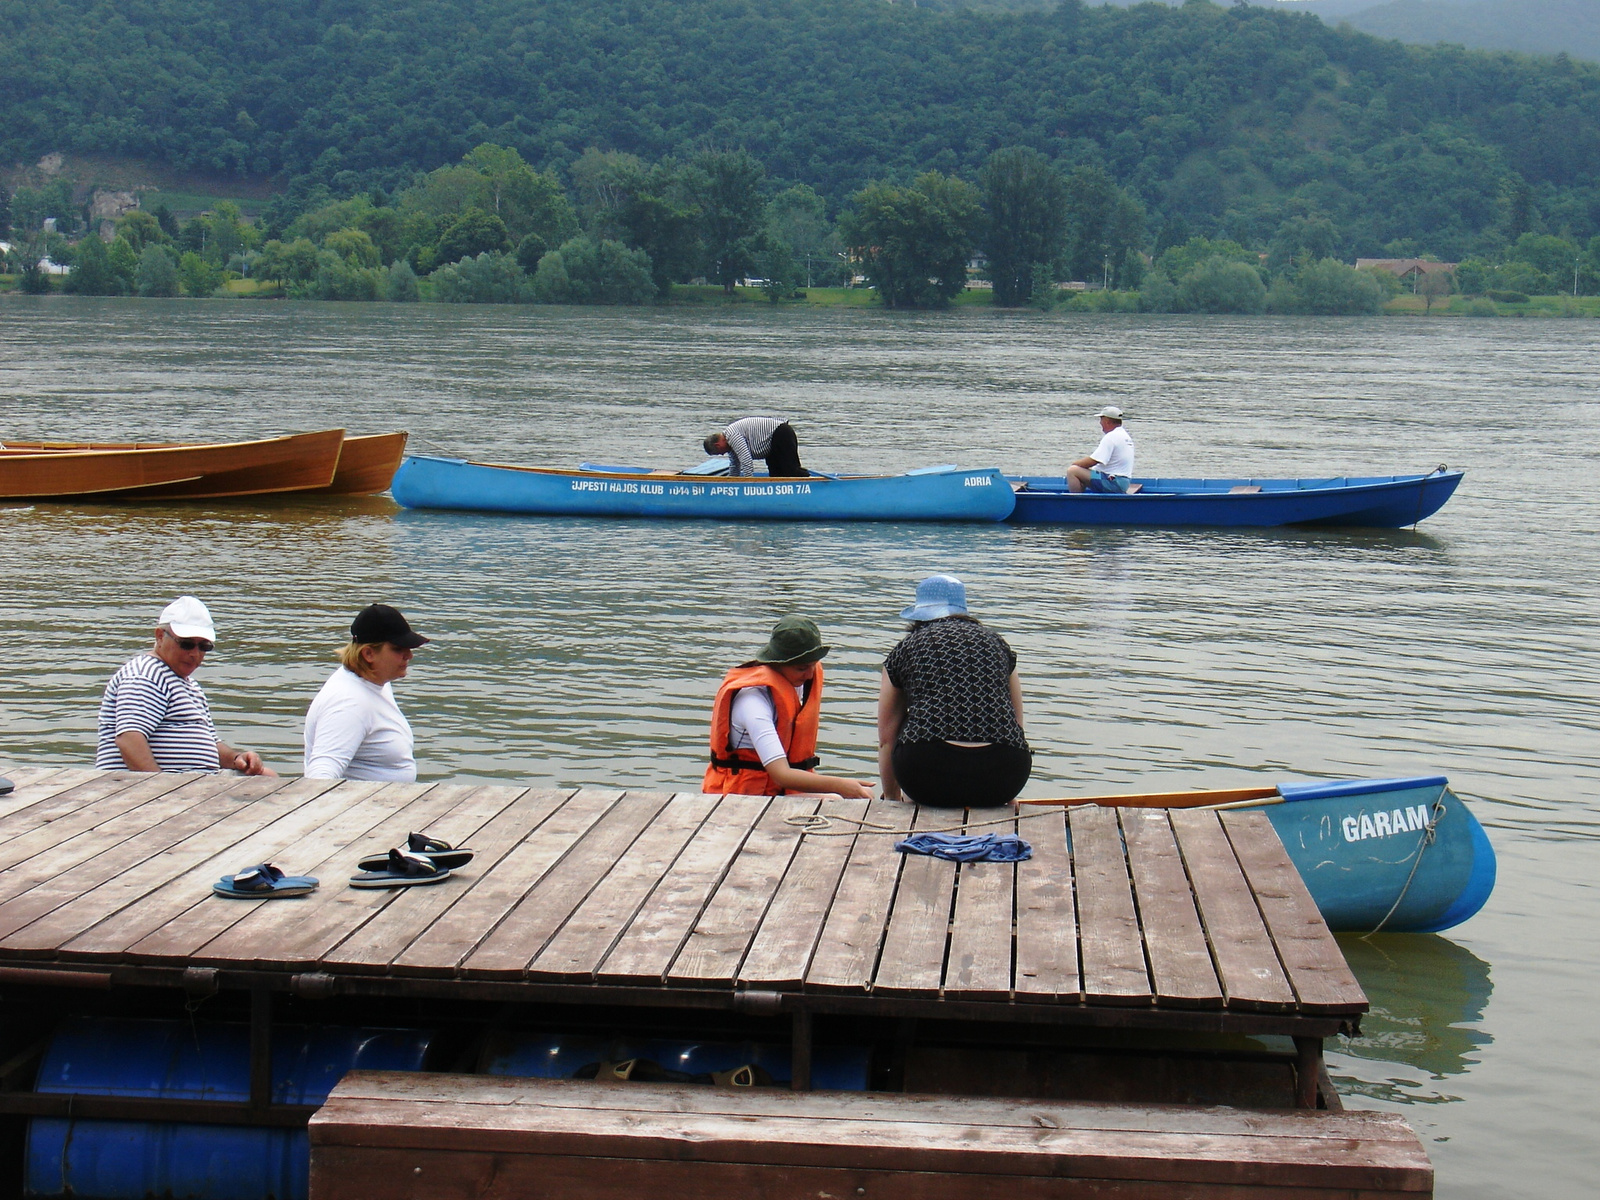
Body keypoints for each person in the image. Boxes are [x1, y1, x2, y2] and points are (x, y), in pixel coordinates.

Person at [878, 575, 1030, 808]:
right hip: (1003, 777)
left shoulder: (905, 648)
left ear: (920, 614)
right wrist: (1008, 792)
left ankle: (910, 804)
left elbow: (887, 738)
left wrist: (890, 798)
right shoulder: (998, 644)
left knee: (914, 720)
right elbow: (1016, 725)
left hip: (926, 776)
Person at [95, 596, 275, 776]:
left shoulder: (189, 685)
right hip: (149, 786)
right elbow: (129, 739)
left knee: (265, 776)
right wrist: (160, 788)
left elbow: (211, 744)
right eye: (186, 644)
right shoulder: (146, 674)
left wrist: (237, 759)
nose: (194, 654)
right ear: (160, 636)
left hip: (192, 781)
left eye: (204, 646)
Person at [704, 615, 873, 798]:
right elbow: (781, 775)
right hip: (743, 797)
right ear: (777, 663)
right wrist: (840, 785)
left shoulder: (794, 682)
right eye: (801, 668)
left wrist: (847, 787)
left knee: (858, 795)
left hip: (775, 793)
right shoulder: (752, 703)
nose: (809, 676)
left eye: (813, 666)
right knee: (835, 799)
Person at [303, 604, 431, 781]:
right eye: (398, 649)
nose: (409, 655)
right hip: (363, 806)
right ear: (368, 654)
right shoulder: (348, 703)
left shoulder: (375, 681)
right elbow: (319, 776)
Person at [703, 416, 807, 478]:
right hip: (770, 444)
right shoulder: (730, 446)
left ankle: (810, 480)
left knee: (790, 470)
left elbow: (746, 460)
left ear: (718, 445)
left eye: (719, 452)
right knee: (776, 475)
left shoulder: (731, 435)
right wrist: (732, 483)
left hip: (780, 434)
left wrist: (749, 485)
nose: (722, 454)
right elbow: (735, 467)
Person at [1066, 406, 1135, 493]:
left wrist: (1075, 464)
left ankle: (1076, 503)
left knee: (1072, 471)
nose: (1100, 423)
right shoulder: (1124, 435)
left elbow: (1093, 461)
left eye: (1101, 419)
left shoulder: (1111, 437)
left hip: (1114, 482)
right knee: (1082, 471)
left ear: (1107, 421)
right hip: (1123, 482)